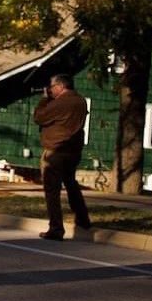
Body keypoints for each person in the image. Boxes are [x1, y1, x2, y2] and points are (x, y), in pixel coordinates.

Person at [33, 73, 92, 240]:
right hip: (73, 150)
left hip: (55, 150)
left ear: (60, 86)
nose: (50, 90)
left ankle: (56, 228)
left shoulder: (60, 103)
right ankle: (83, 219)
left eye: (52, 87)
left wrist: (45, 99)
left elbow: (39, 117)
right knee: (71, 185)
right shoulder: (80, 101)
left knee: (52, 190)